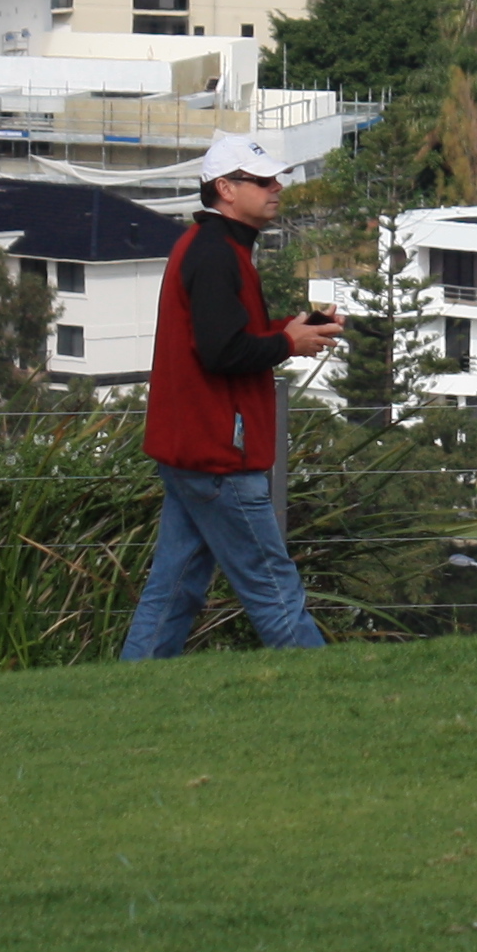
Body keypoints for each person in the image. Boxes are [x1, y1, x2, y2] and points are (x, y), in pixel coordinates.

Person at [120, 132, 346, 661]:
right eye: (262, 181)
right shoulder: (218, 255)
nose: (276, 189)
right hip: (219, 455)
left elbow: (225, 335)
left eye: (276, 180)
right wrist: (287, 341)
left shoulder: (207, 248)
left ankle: (134, 689)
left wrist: (287, 331)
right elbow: (222, 352)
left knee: (174, 589)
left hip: (190, 451)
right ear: (224, 188)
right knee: (273, 589)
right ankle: (324, 688)